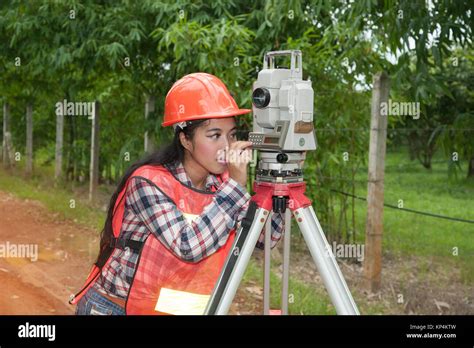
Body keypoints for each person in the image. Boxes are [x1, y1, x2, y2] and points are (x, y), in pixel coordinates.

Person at [71, 72, 284, 315]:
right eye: (214, 135)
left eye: (231, 134)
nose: (227, 145)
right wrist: (236, 185)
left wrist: (275, 182)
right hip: (114, 308)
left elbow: (266, 238)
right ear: (185, 139)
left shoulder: (221, 187)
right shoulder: (148, 183)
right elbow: (188, 246)